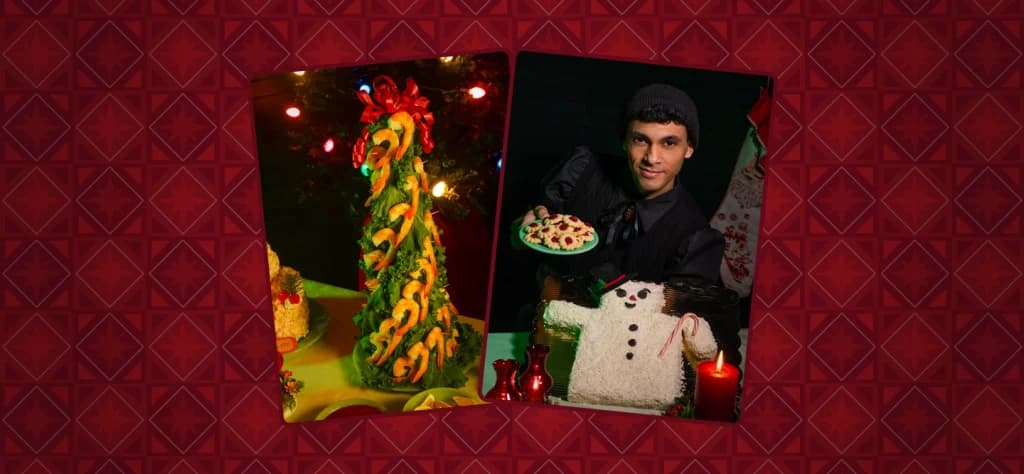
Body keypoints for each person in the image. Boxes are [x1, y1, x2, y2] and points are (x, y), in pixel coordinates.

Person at [514, 82, 743, 372]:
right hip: (540, 335)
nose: (652, 158)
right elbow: (524, 245)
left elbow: (672, 334)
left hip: (622, 362)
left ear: (689, 149)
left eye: (669, 143)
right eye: (640, 140)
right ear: (624, 140)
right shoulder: (581, 170)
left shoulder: (695, 236)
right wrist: (520, 233)